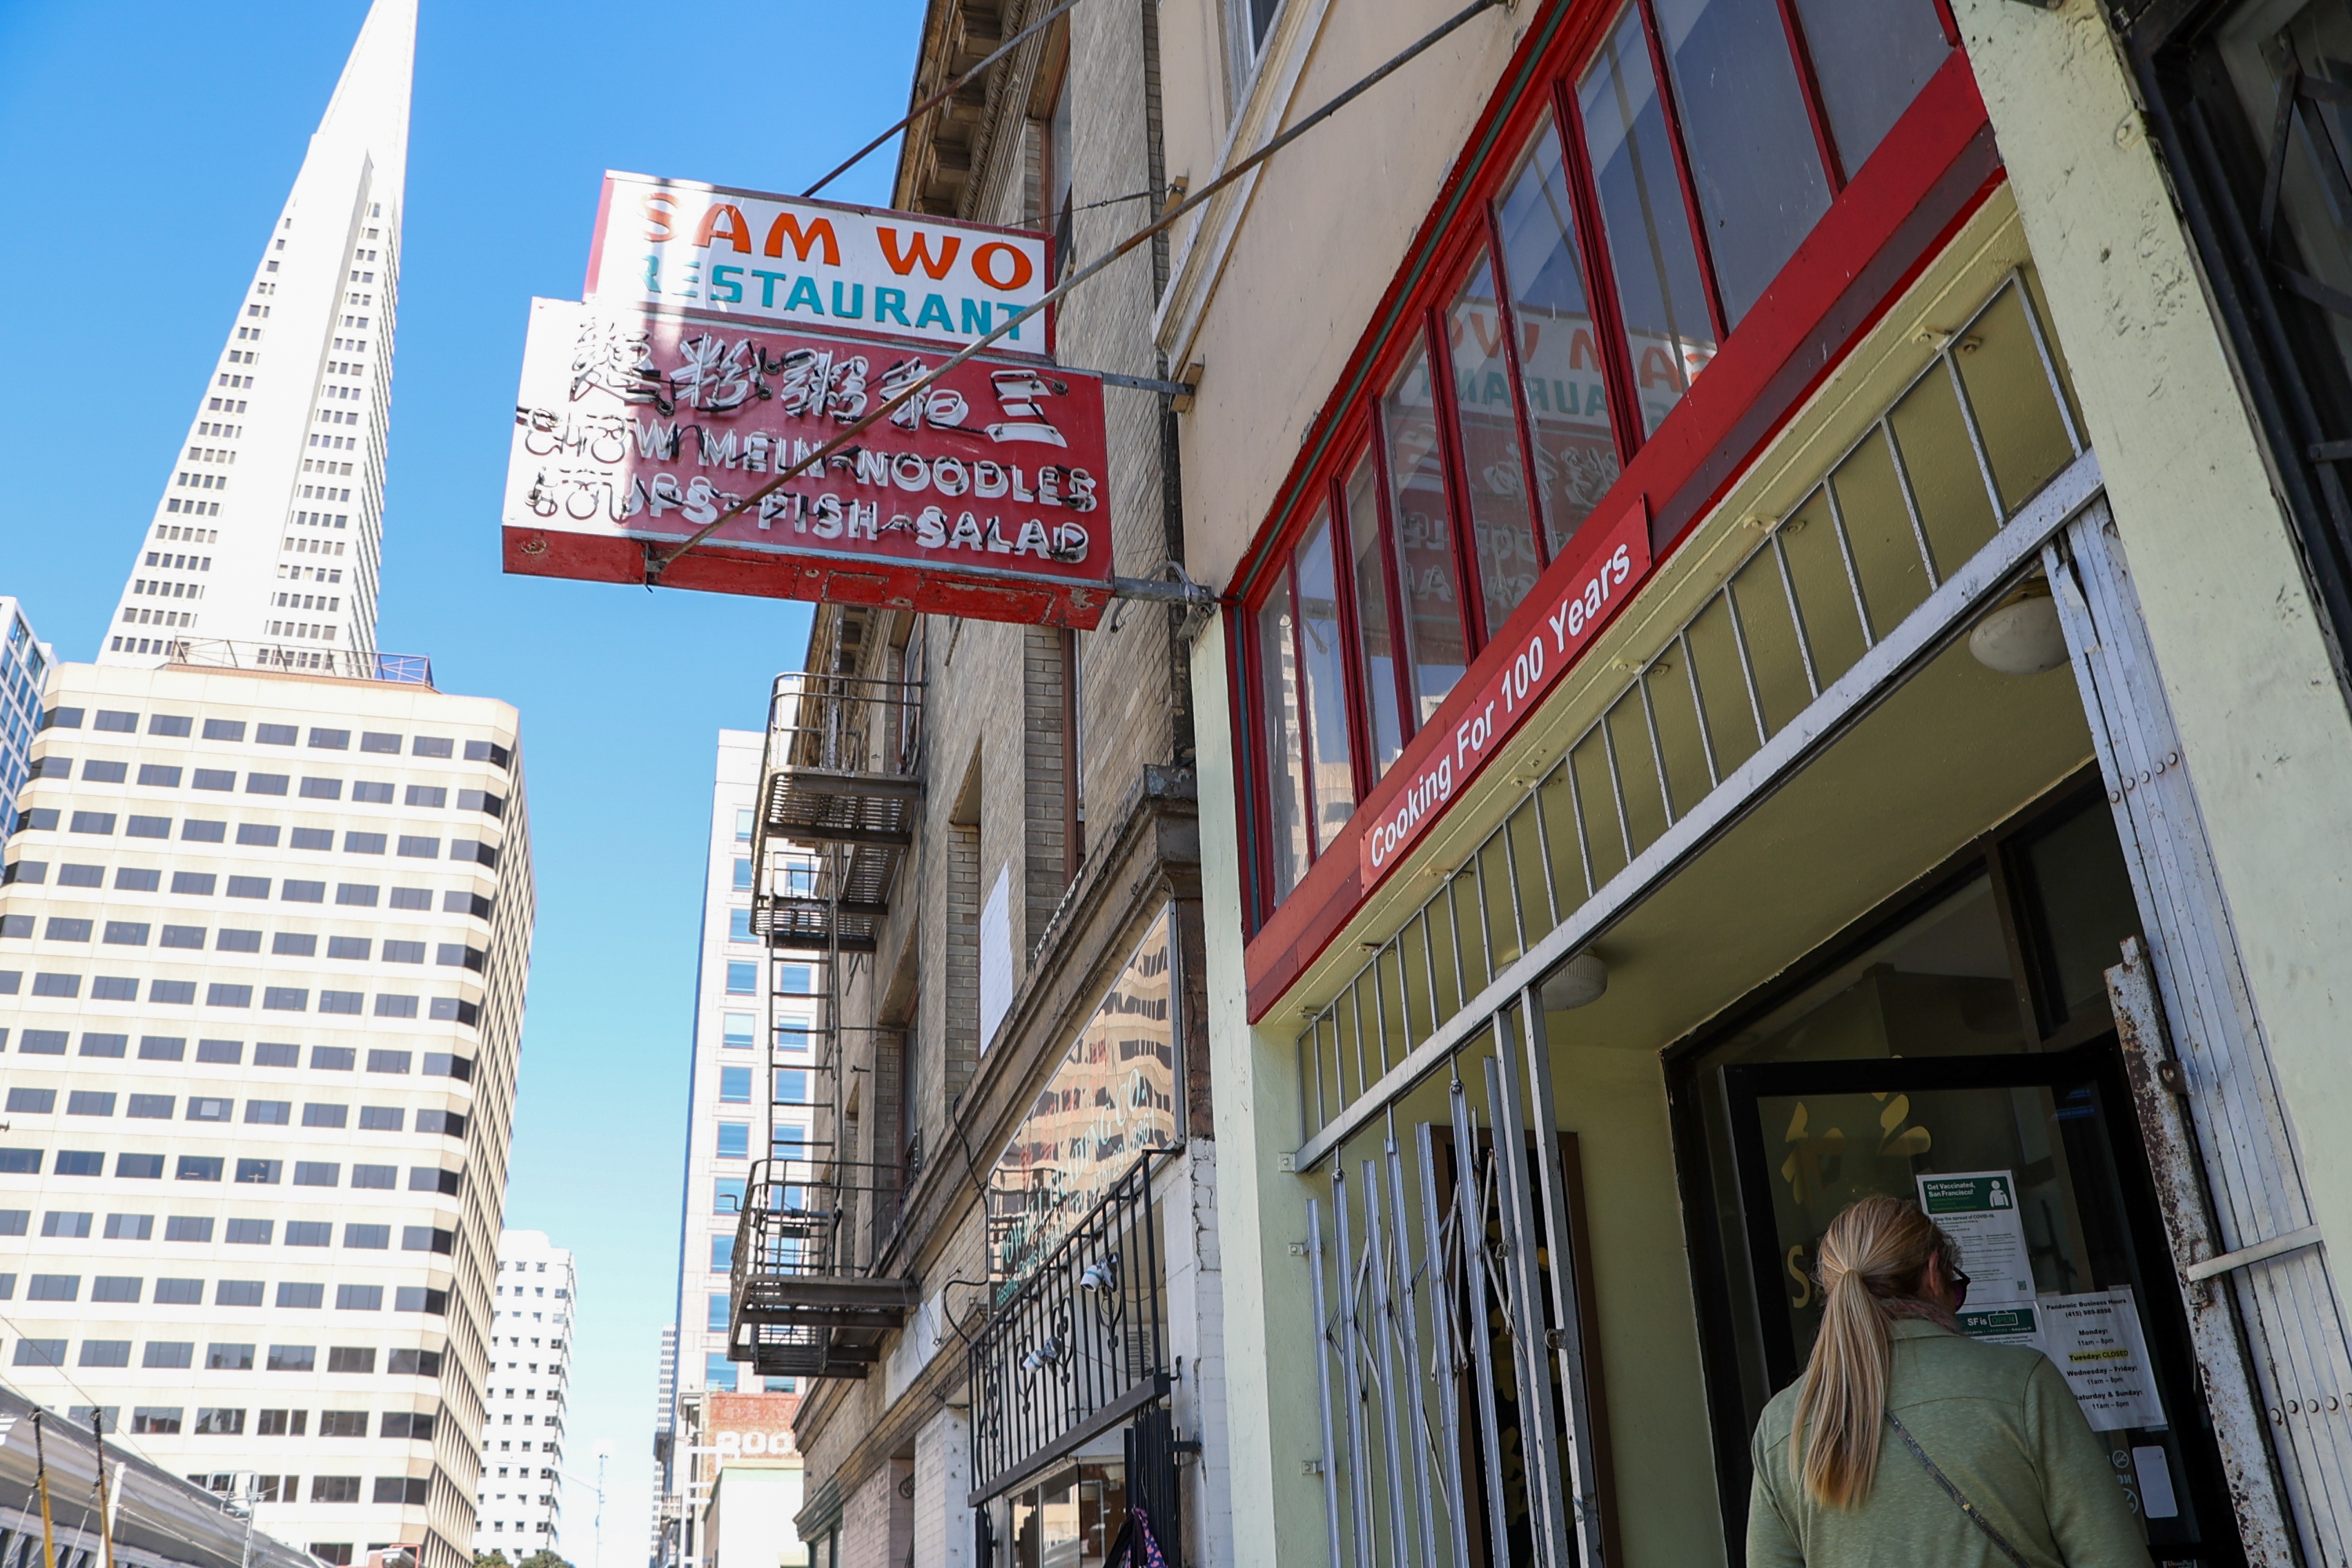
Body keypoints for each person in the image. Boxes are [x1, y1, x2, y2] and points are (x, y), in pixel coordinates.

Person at [1747, 1195, 2147, 1567]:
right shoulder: (2022, 1383)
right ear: (1935, 1273)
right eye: (1957, 1289)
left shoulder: (1785, 1425)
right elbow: (2114, 1557)